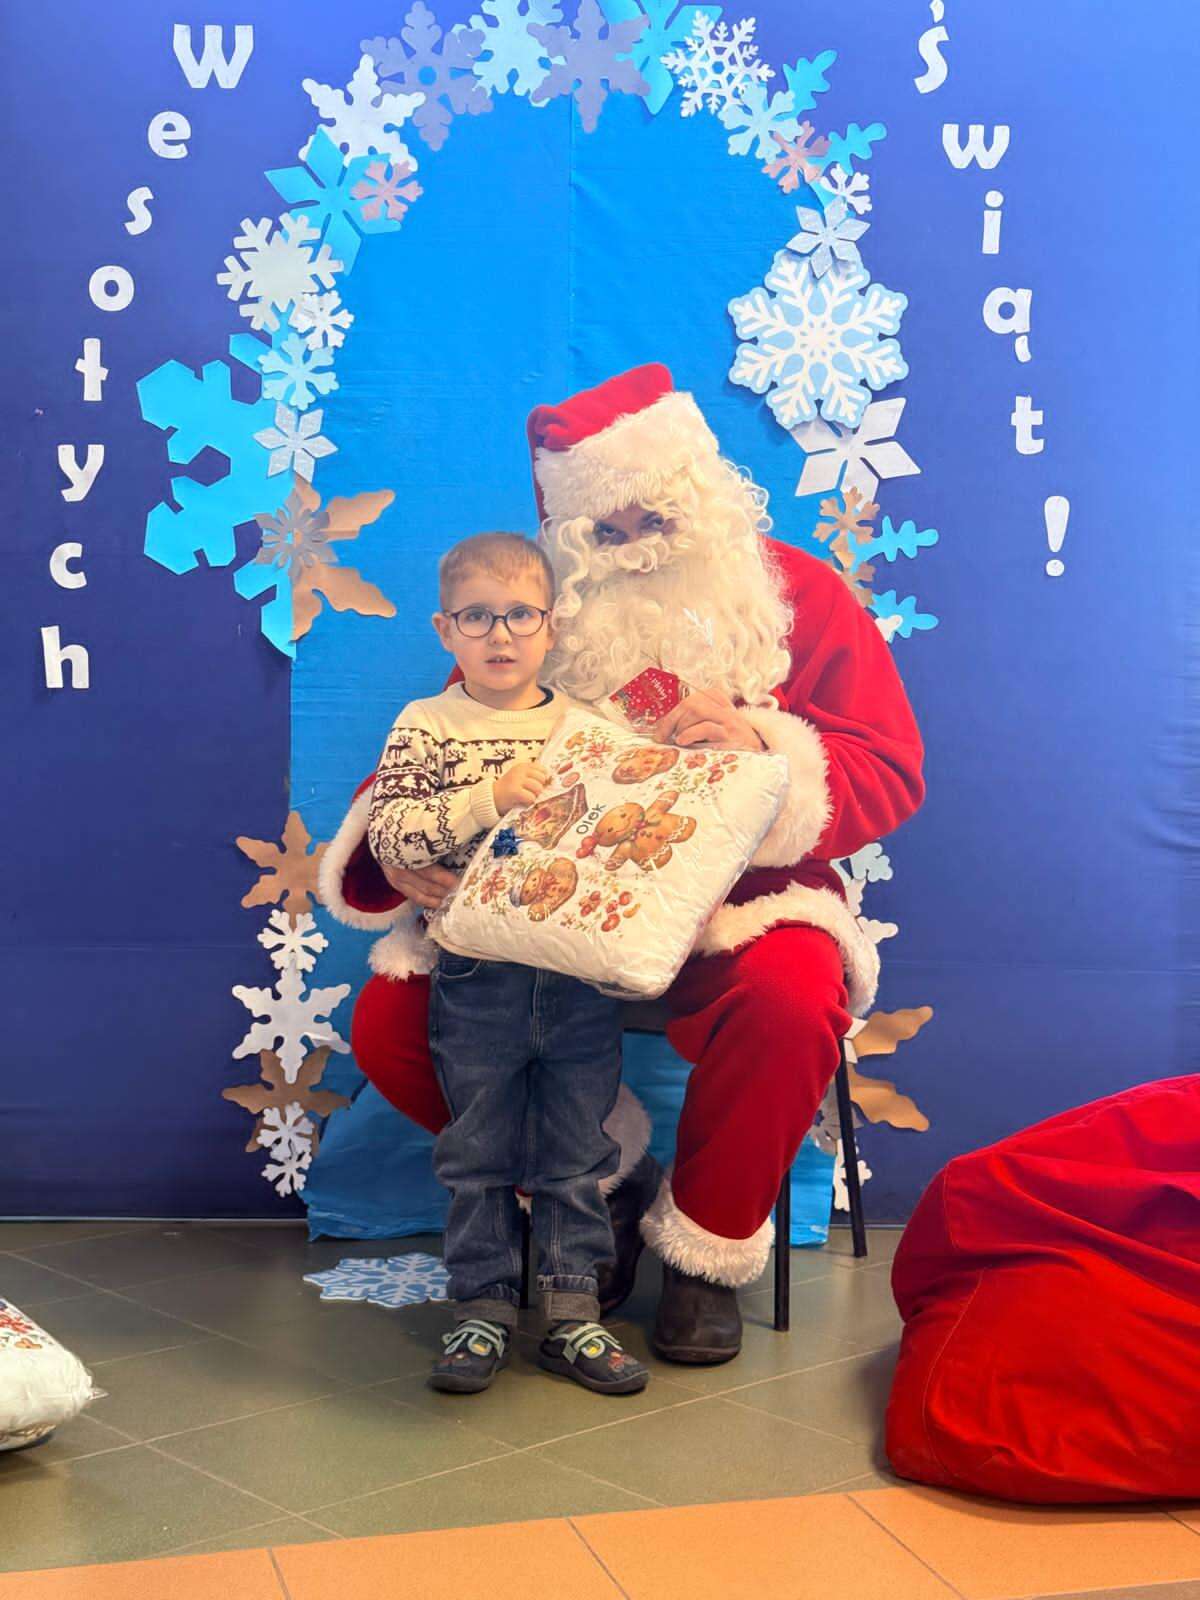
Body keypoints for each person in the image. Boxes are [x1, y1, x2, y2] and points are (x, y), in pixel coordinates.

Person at [320, 364, 925, 1366]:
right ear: (573, 534)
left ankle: (705, 1251)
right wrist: (407, 851)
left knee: (791, 998)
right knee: (393, 1018)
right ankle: (592, 1188)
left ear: (704, 493)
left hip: (741, 901)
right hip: (555, 902)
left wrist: (765, 753)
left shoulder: (800, 596)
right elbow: (445, 737)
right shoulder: (543, 612)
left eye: (660, 515)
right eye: (610, 528)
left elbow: (888, 766)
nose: (640, 542)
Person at [367, 530, 649, 1396]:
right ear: (444, 628)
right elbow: (392, 835)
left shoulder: (587, 731)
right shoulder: (428, 723)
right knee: (478, 1149)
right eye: (477, 617)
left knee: (577, 1151)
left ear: (552, 625)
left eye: (521, 615)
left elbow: (621, 833)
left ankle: (572, 1314)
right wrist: (488, 797)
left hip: (576, 977)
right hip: (476, 974)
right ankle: (482, 1307)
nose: (500, 634)